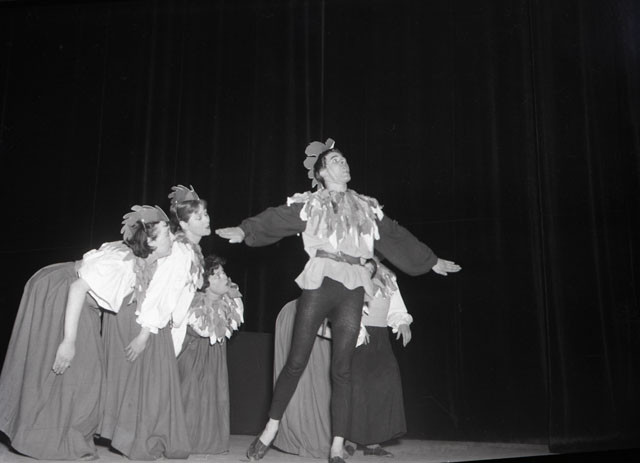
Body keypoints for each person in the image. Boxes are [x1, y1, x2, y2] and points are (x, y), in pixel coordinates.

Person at [216, 138, 461, 463]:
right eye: (334, 160)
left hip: (353, 286)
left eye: (344, 159)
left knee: (342, 370)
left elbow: (394, 234)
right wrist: (246, 231)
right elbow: (279, 217)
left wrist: (429, 261)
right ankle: (269, 431)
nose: (343, 163)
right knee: (296, 362)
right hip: (321, 281)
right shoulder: (311, 204)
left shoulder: (366, 208)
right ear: (321, 173)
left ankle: (336, 447)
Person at [0, 205, 173, 460]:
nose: (172, 238)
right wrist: (68, 341)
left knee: (85, 374)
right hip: (60, 289)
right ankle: (48, 440)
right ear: (150, 242)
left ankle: (61, 439)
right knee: (65, 367)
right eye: (167, 233)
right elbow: (78, 287)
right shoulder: (122, 265)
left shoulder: (139, 262)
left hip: (80, 301)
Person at [98, 186, 206, 460]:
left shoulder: (190, 250)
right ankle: (138, 439)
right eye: (199, 216)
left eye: (206, 214)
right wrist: (146, 332)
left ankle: (141, 437)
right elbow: (160, 289)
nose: (206, 219)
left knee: (153, 384)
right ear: (183, 224)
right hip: (149, 318)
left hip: (160, 319)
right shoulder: (180, 251)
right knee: (149, 383)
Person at [344, 256, 412, 458]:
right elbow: (342, 306)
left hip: (380, 338)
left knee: (385, 383)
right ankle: (349, 439)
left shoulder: (389, 278)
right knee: (356, 386)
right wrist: (357, 327)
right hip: (356, 336)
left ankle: (373, 443)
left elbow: (396, 309)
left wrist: (402, 323)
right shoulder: (353, 271)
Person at [177, 254, 243, 454]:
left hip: (214, 357)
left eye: (224, 273)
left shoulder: (228, 302)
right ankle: (182, 441)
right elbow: (205, 331)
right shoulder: (193, 302)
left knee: (213, 396)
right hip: (192, 356)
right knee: (190, 395)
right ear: (205, 281)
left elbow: (237, 320)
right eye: (217, 275)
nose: (225, 278)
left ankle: (208, 442)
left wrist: (234, 296)